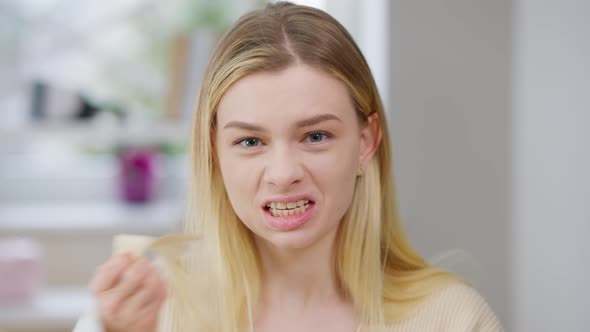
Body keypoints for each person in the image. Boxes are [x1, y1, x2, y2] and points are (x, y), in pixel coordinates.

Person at [74, 2, 503, 331]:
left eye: (315, 136)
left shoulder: (452, 319)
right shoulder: (151, 309)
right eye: (250, 141)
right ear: (215, 153)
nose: (283, 173)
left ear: (366, 142)